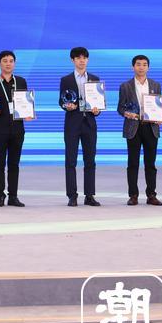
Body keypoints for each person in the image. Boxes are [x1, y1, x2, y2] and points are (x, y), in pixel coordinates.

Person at [0, 50, 30, 207]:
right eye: (5, 61)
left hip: (17, 128)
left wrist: (28, 113)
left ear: (14, 63)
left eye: (11, 61)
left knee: (14, 163)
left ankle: (13, 196)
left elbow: (25, 102)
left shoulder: (21, 81)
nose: (8, 64)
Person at [117, 55, 162, 206]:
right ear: (133, 67)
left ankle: (151, 195)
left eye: (144, 64)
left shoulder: (155, 85)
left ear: (148, 67)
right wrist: (127, 114)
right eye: (138, 64)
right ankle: (133, 195)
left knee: (150, 163)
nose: (141, 67)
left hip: (151, 128)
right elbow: (120, 108)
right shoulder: (125, 86)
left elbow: (158, 106)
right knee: (133, 163)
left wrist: (161, 116)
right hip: (133, 127)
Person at [59, 46, 102, 206]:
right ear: (73, 60)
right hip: (72, 123)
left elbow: (99, 102)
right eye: (78, 58)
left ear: (87, 60)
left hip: (89, 123)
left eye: (84, 57)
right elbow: (61, 100)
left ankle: (89, 196)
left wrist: (97, 111)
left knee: (90, 160)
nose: (81, 60)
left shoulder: (95, 79)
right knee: (71, 160)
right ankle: (72, 196)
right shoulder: (66, 80)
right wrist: (66, 106)